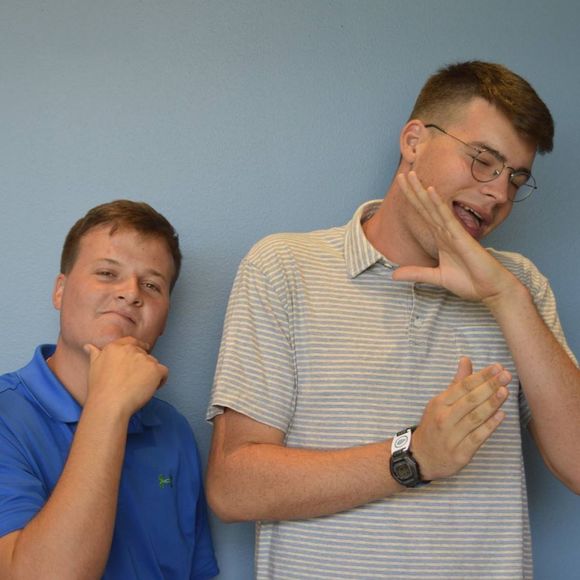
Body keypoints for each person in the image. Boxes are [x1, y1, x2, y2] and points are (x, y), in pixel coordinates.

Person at [206, 61, 580, 578]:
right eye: (483, 161)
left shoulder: (520, 286)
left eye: (515, 178)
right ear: (414, 141)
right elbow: (233, 487)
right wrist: (414, 457)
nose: (499, 194)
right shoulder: (285, 269)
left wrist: (505, 297)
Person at [0, 200, 218, 579]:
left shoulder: (173, 431)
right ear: (60, 291)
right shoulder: (6, 416)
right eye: (106, 273)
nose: (131, 293)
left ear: (164, 318)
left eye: (151, 285)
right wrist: (109, 406)